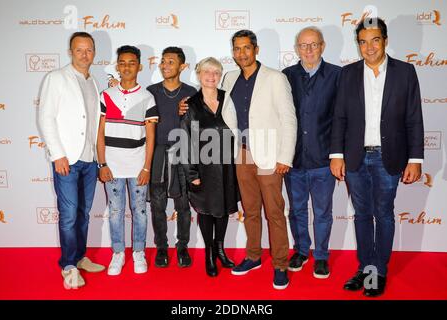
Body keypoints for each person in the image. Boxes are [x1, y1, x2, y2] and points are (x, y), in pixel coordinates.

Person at [179, 30, 297, 289]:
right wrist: (185, 105)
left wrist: (285, 156)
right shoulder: (229, 79)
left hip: (269, 155)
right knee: (251, 211)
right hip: (239, 155)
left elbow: (289, 119)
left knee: (275, 213)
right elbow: (207, 102)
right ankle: (253, 256)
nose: (242, 53)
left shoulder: (275, 78)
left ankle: (279, 264)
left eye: (246, 48)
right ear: (233, 52)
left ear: (256, 49)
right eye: (237, 49)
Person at [330, 17, 424, 297]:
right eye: (362, 41)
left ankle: (377, 271)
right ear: (357, 44)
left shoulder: (405, 72)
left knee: (383, 214)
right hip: (356, 157)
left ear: (385, 40)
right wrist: (337, 154)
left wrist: (415, 159)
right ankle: (364, 267)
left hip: (390, 157)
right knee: (361, 214)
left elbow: (414, 119)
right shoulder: (347, 74)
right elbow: (340, 117)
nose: (369, 47)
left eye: (375, 40)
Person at [38, 32, 105, 288]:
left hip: (88, 159)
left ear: (94, 52)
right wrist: (57, 154)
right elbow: (46, 118)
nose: (84, 54)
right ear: (70, 51)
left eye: (89, 50)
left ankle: (79, 257)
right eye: (79, 50)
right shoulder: (56, 78)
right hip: (66, 158)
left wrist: (99, 159)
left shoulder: (93, 82)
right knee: (68, 215)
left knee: (83, 214)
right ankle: (67, 265)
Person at [282, 27, 341, 279]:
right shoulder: (286, 76)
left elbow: (343, 118)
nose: (308, 50)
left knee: (322, 212)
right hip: (293, 159)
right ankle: (301, 251)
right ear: (296, 48)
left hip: (323, 160)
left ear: (323, 46)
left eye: (313, 45)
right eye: (303, 45)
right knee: (296, 211)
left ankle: (322, 256)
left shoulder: (338, 76)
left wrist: (339, 155)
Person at [97, 45, 159, 276]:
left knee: (140, 210)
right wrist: (102, 164)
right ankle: (118, 253)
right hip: (111, 166)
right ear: (117, 66)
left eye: (131, 62)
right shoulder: (106, 95)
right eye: (122, 62)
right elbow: (99, 133)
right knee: (115, 211)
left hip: (137, 166)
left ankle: (139, 252)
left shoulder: (147, 98)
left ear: (140, 66)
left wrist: (146, 167)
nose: (126, 67)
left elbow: (151, 137)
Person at [180, 57, 239, 277]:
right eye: (207, 72)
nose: (212, 76)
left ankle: (220, 249)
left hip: (226, 167)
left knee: (222, 210)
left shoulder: (227, 98)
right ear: (199, 74)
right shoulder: (191, 104)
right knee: (206, 211)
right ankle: (208, 255)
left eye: (216, 72)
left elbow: (236, 129)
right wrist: (192, 173)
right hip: (203, 169)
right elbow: (184, 141)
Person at [147, 47, 196, 268]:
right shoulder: (150, 91)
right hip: (157, 153)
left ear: (182, 66)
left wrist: (187, 115)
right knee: (157, 205)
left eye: (171, 62)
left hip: (182, 154)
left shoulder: (192, 92)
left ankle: (183, 247)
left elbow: (198, 130)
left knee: (183, 204)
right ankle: (161, 248)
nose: (165, 65)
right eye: (163, 61)